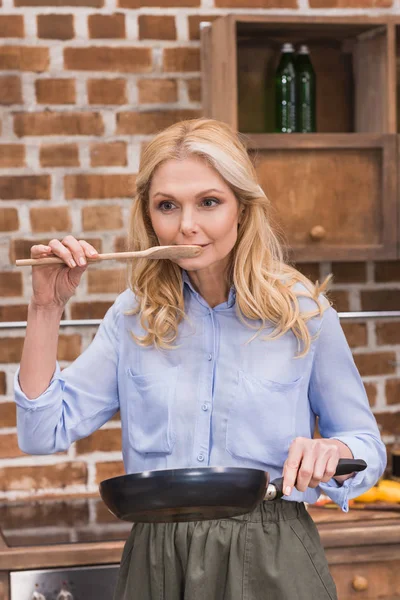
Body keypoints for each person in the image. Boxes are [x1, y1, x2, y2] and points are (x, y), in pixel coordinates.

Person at [14, 118, 386, 600]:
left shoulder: (302, 313)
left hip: (273, 554)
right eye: (167, 206)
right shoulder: (132, 317)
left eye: (209, 202)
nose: (186, 224)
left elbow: (368, 449)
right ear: (149, 217)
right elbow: (42, 434)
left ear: (241, 208)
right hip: (156, 557)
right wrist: (46, 307)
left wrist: (334, 452)